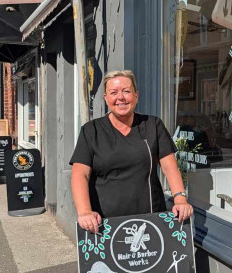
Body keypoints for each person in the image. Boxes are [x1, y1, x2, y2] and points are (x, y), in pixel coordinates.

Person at [70, 70, 193, 233]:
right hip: (104, 225)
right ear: (106, 98)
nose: (120, 97)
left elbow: (170, 167)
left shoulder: (153, 125)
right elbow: (80, 174)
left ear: (136, 95)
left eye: (126, 91)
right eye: (113, 93)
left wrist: (180, 199)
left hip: (150, 219)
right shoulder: (91, 131)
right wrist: (85, 211)